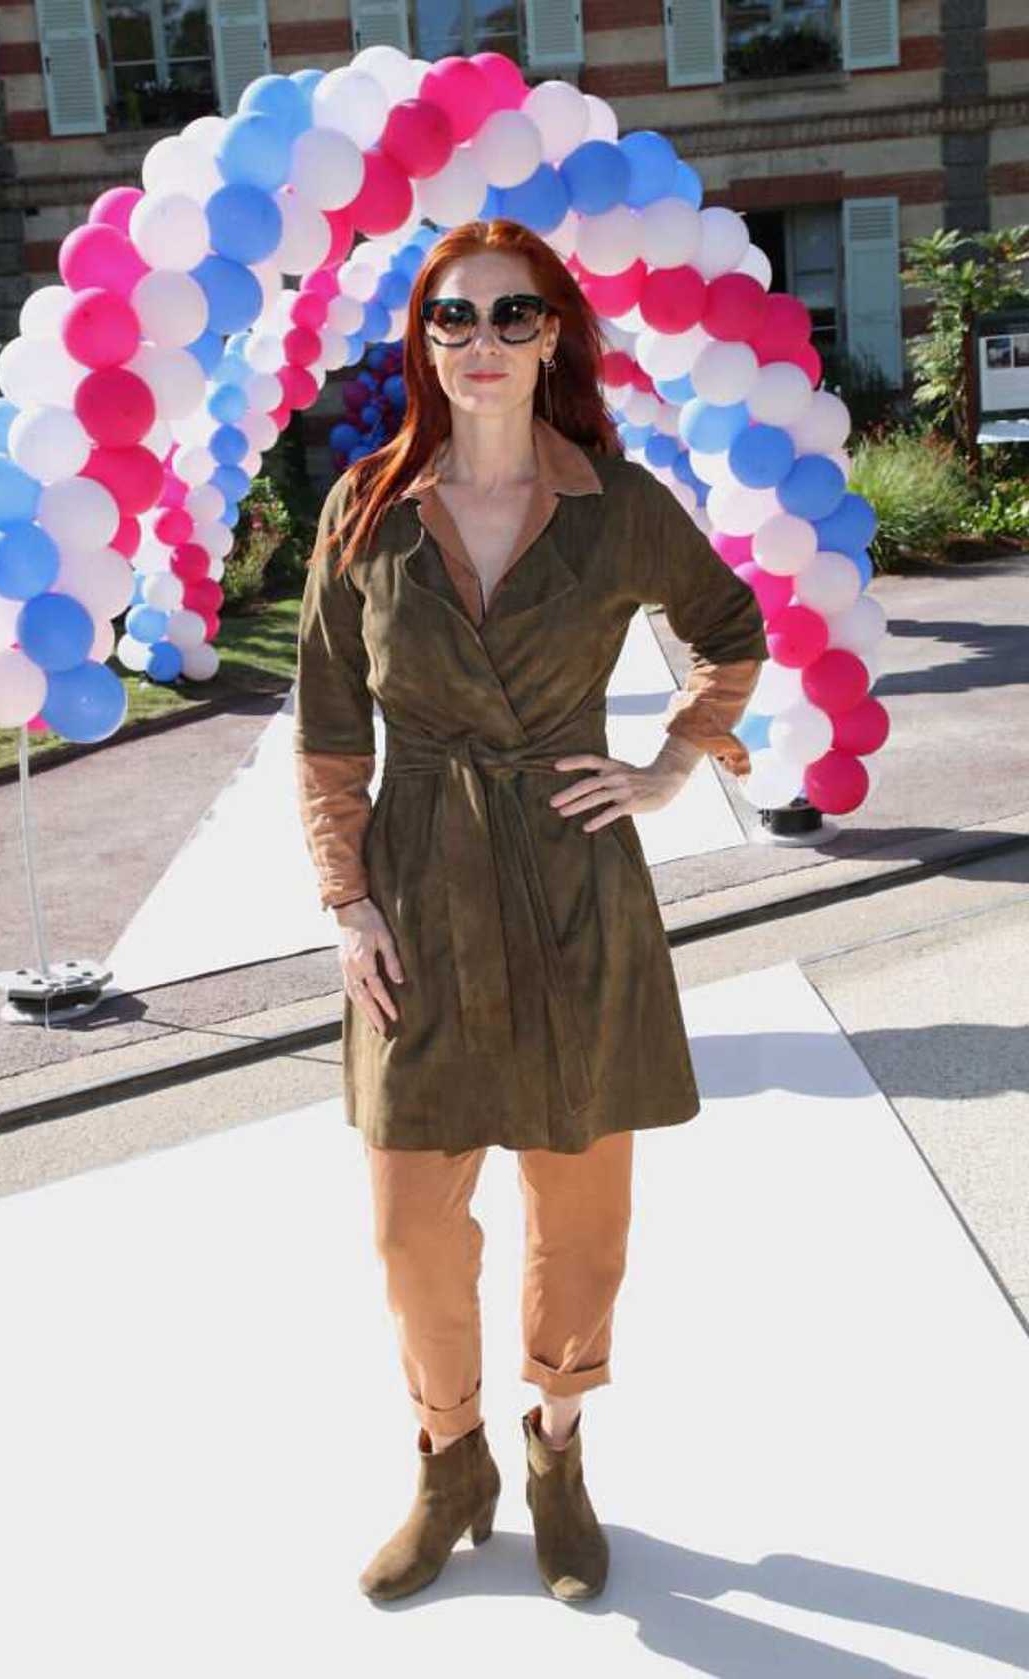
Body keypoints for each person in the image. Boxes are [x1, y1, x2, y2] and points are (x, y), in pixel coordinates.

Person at [292, 217, 767, 1603]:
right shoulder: (364, 511)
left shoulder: (616, 505)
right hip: (420, 889)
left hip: (572, 884)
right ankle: (451, 1460)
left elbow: (730, 630)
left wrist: (674, 765)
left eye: (511, 316)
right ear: (423, 341)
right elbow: (328, 728)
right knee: (409, 1228)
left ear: (553, 333)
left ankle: (556, 1445)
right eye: (454, 318)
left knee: (579, 1217)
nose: (482, 342)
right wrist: (346, 899)